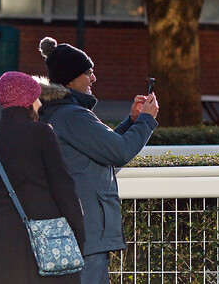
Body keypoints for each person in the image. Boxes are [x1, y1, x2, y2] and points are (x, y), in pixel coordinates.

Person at [36, 37, 159, 284]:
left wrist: (132, 122)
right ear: (70, 78)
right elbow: (120, 152)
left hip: (74, 232)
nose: (94, 78)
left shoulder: (60, 112)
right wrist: (146, 120)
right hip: (86, 234)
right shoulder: (73, 116)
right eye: (88, 73)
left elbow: (105, 151)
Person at [0, 71, 87, 283]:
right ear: (27, 101)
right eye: (36, 97)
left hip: (4, 243)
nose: (39, 104)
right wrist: (78, 234)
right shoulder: (42, 133)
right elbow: (63, 187)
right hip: (47, 241)